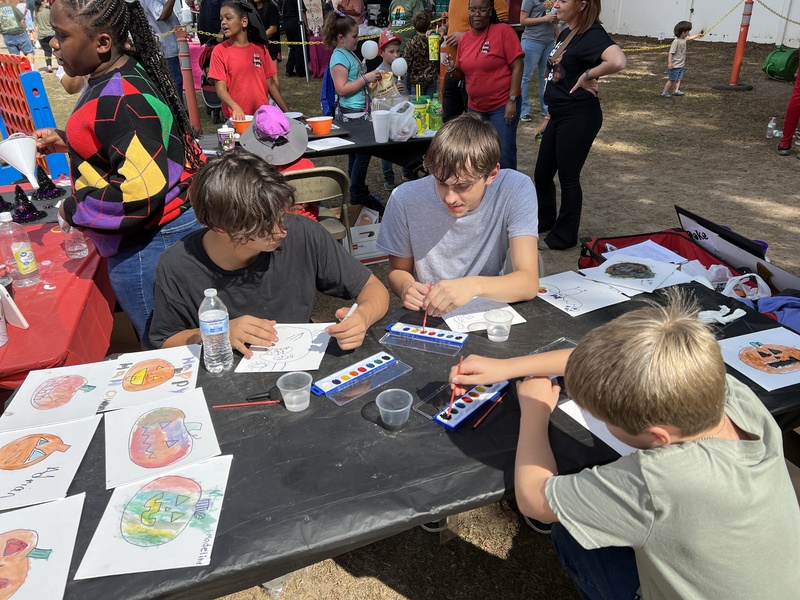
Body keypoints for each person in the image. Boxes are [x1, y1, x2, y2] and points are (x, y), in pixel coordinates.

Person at [451, 291, 800, 599]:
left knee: (569, 532)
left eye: (605, 418)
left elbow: (535, 500)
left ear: (657, 436)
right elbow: (600, 360)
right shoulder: (728, 393)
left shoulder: (658, 479)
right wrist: (506, 367)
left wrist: (535, 409)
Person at [32, 0, 205, 345]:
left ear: (102, 43)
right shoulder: (122, 76)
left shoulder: (121, 99)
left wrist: (72, 209)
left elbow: (137, 192)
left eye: (62, 35)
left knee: (167, 347)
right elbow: (137, 146)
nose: (53, 43)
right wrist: (70, 143)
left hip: (150, 245)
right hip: (161, 232)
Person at [149, 150, 390, 354]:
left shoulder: (302, 233)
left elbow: (373, 289)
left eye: (280, 215)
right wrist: (217, 333)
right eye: (263, 226)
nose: (280, 231)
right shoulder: (177, 266)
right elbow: (166, 342)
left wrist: (362, 318)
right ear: (220, 228)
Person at [377, 114, 539, 317]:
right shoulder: (404, 198)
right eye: (441, 182)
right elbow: (397, 271)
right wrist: (407, 287)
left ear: (491, 175)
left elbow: (528, 282)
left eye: (463, 186)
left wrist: (472, 286)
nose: (450, 198)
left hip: (484, 311)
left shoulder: (515, 189)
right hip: (431, 313)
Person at [534, 0, 626, 250]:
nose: (556, 4)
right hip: (559, 114)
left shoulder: (593, 34)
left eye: (564, 0)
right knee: (542, 174)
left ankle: (563, 237)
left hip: (579, 116)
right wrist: (547, 118)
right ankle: (545, 221)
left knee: (568, 177)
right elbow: (558, 79)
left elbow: (618, 61)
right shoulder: (567, 32)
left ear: (582, 4)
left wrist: (588, 75)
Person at [441, 0, 523, 170]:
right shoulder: (465, 40)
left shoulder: (503, 31)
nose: (476, 14)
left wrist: (512, 100)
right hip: (476, 107)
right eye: (472, 10)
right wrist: (451, 69)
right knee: (478, 155)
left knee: (503, 153)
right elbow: (461, 74)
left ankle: (507, 192)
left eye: (482, 10)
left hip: (502, 105)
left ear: (490, 11)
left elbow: (518, 65)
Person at [323, 11, 384, 212]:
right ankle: (357, 193)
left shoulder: (346, 54)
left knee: (357, 154)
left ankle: (357, 192)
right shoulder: (339, 57)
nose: (358, 40)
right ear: (341, 38)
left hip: (357, 111)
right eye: (355, 36)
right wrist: (366, 78)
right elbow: (341, 88)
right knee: (363, 152)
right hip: (352, 113)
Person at [209, 0, 290, 121]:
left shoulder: (260, 48)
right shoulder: (219, 51)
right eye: (221, 19)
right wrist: (235, 107)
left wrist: (288, 113)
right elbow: (220, 88)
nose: (223, 23)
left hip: (262, 116)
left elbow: (271, 84)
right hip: (236, 119)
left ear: (244, 22)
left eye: (228, 18)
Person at [441, 0, 507, 123]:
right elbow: (455, 19)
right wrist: (445, 27)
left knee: (475, 125)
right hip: (453, 69)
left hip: (476, 71)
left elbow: (502, 21)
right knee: (449, 123)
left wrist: (466, 35)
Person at [519, 0, 558, 121]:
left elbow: (555, 21)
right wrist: (544, 19)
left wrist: (555, 25)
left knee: (546, 77)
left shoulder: (553, 0)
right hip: (531, 41)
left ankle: (546, 108)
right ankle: (523, 111)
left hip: (548, 42)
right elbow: (522, 21)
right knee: (525, 77)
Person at [375, 29, 404, 191]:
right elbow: (377, 95)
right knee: (387, 148)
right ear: (382, 52)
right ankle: (388, 176)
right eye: (391, 51)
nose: (396, 55)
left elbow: (403, 93)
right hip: (386, 114)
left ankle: (408, 170)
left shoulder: (400, 68)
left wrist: (401, 89)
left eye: (398, 51)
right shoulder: (379, 72)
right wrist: (393, 89)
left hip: (399, 113)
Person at [140, 0, 184, 95]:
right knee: (174, 85)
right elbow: (162, 14)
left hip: (166, 49)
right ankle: (177, 109)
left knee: (174, 84)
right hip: (164, 51)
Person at [661, 20, 702, 98]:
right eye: (688, 32)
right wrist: (670, 63)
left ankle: (675, 91)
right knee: (672, 80)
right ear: (683, 32)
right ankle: (664, 93)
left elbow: (690, 37)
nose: (688, 33)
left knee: (679, 79)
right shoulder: (676, 42)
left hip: (681, 65)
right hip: (675, 66)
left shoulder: (684, 39)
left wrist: (698, 35)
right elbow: (671, 53)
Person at [404, 9, 438, 98]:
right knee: (430, 106)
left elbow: (406, 64)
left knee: (417, 108)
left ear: (414, 25)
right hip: (431, 79)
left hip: (416, 82)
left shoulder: (411, 44)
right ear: (429, 23)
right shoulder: (435, 41)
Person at [282, 0, 307, 77]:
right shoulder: (298, 1)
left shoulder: (284, 1)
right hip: (296, 22)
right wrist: (306, 26)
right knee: (299, 47)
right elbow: (303, 12)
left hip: (286, 22)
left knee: (292, 47)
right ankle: (300, 70)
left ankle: (289, 69)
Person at [33, 0, 53, 73]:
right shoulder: (48, 11)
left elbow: (36, 26)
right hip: (51, 33)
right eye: (44, 2)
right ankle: (61, 66)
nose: (46, 3)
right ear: (42, 2)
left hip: (42, 35)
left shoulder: (35, 12)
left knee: (47, 51)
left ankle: (49, 66)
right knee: (57, 50)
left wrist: (36, 37)